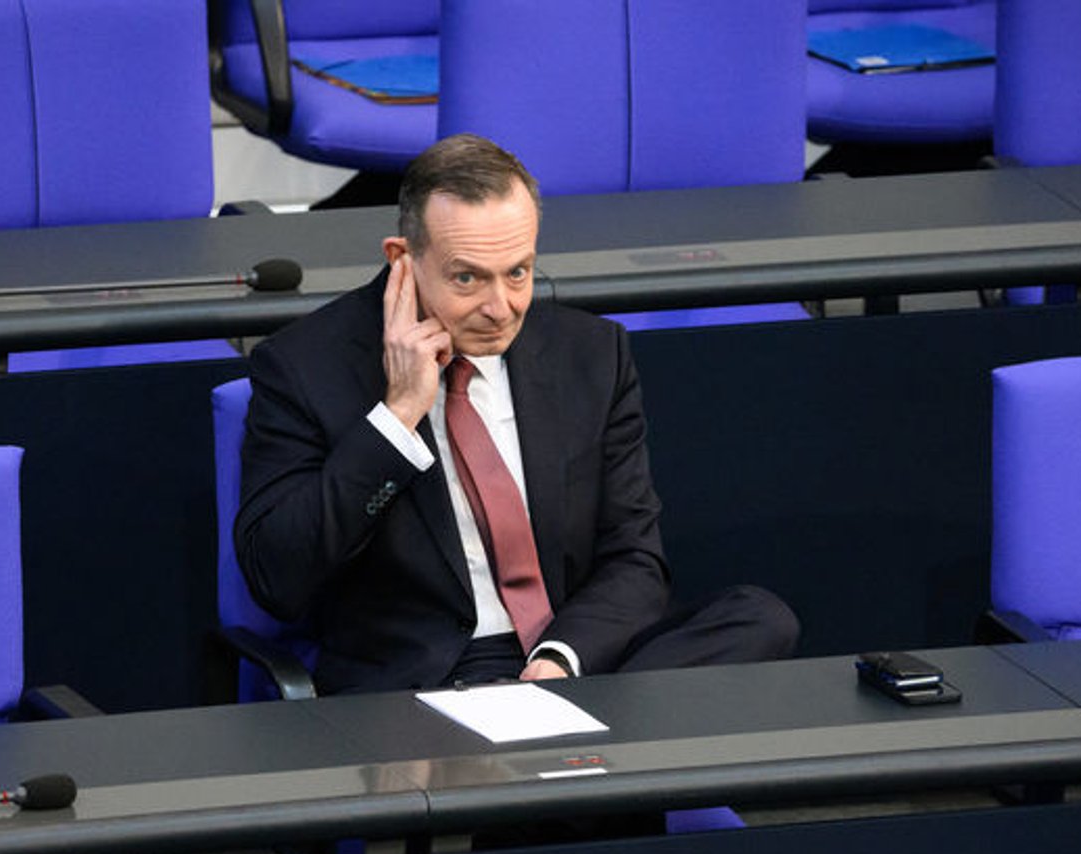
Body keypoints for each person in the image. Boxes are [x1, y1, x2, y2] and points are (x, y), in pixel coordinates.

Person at [236, 133, 797, 695]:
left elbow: (634, 557)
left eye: (518, 272)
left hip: (573, 658)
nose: (500, 308)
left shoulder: (591, 353)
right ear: (402, 259)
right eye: (467, 278)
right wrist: (397, 414)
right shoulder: (305, 367)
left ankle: (568, 720)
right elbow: (278, 576)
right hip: (428, 681)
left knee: (759, 619)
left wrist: (559, 662)